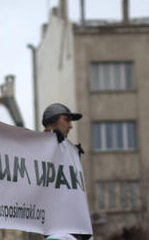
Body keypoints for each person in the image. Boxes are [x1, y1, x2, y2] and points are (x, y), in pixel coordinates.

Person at [42, 103, 90, 240]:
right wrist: (50, 142)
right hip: (57, 230)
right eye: (66, 120)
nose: (70, 126)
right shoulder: (38, 148)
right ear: (51, 122)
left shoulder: (68, 151)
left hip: (74, 229)